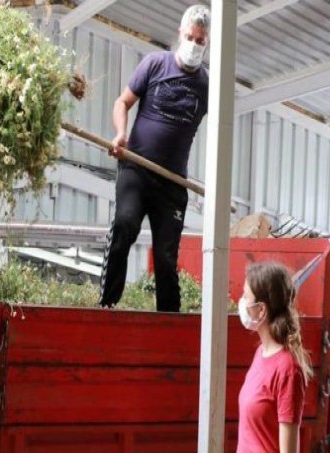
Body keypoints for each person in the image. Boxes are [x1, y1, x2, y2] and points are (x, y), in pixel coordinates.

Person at [100, 4, 210, 311]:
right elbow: (122, 103)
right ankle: (107, 303)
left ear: (207, 43)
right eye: (190, 37)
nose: (193, 45)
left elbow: (222, 127)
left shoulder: (207, 85)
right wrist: (121, 134)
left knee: (165, 257)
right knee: (125, 226)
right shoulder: (155, 64)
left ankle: (169, 322)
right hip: (137, 169)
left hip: (172, 183)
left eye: (200, 41)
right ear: (180, 33)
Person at [234, 262, 313, 453]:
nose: (241, 302)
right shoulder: (261, 354)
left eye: (246, 297)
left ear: (262, 310)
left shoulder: (288, 369)